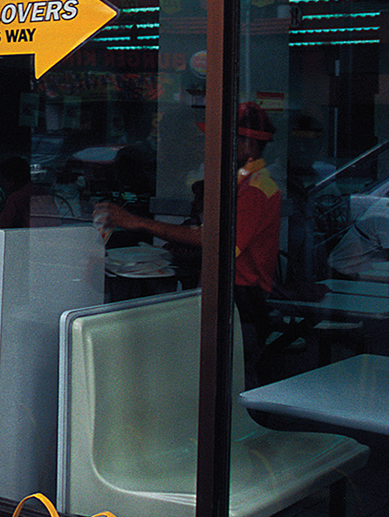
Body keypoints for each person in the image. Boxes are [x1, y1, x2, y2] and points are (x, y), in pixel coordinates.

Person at [95, 102, 282, 364]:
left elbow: (218, 242)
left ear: (247, 144)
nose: (213, 147)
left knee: (234, 381)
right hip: (233, 294)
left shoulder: (254, 190)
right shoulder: (245, 183)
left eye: (222, 139)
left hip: (241, 300)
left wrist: (139, 223)